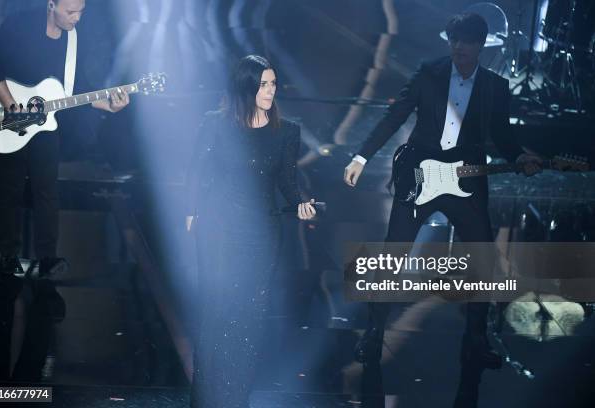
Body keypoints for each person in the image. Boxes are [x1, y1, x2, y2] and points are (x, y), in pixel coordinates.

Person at [343, 13, 542, 368]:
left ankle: (477, 342)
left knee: (484, 259)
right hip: (420, 175)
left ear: (481, 45)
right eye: (453, 40)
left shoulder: (495, 86)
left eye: (465, 41)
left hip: (465, 180)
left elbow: (502, 136)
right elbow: (396, 115)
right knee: (393, 255)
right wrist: (361, 156)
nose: (458, 47)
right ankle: (374, 335)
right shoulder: (429, 72)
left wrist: (520, 155)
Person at [185, 55, 316, 408]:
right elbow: (197, 172)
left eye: (273, 84)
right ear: (246, 87)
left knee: (248, 317)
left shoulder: (287, 131)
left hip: (261, 234)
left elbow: (288, 181)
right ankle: (206, 397)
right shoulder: (215, 124)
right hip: (217, 231)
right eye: (263, 84)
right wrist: (191, 211)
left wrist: (302, 202)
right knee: (216, 311)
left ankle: (236, 396)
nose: (270, 90)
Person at [0, 0, 129, 278]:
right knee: (9, 191)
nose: (76, 18)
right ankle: (9, 258)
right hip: (9, 120)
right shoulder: (19, 25)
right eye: (70, 12)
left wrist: (108, 105)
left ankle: (47, 258)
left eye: (81, 12)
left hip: (45, 127)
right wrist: (12, 107)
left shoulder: (74, 39)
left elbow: (77, 90)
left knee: (47, 192)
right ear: (51, 5)